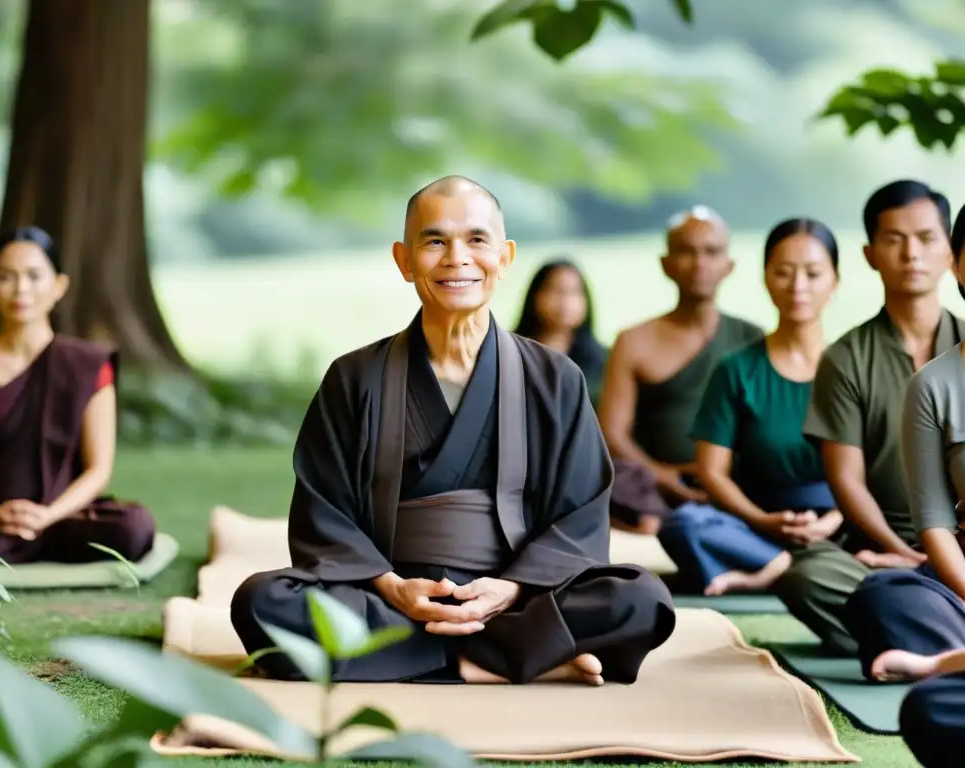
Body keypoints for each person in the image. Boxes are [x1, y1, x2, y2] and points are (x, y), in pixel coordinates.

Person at [230, 176, 676, 686]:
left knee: (642, 597)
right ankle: (507, 657)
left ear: (505, 257)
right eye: (435, 241)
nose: (456, 257)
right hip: (392, 600)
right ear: (403, 260)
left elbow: (580, 518)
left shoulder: (555, 379)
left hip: (519, 598)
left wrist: (508, 589)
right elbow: (322, 514)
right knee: (261, 600)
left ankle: (450, 655)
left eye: (477, 240)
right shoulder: (355, 377)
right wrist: (395, 588)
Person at [783, 180, 965, 655]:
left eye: (927, 239)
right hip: (881, 549)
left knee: (897, 597)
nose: (912, 254)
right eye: (894, 239)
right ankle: (943, 629)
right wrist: (908, 556)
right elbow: (846, 481)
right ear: (870, 254)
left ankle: (923, 630)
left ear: (951, 251)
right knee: (810, 575)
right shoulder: (846, 358)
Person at [841, 193, 965, 694]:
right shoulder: (931, 386)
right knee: (880, 594)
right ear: (958, 267)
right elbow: (937, 524)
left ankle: (946, 663)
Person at [657, 219, 842, 595]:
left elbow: (877, 475)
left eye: (813, 273)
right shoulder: (737, 368)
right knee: (683, 525)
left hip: (844, 526)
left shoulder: (853, 367)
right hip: (757, 525)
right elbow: (712, 473)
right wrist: (763, 520)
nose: (798, 287)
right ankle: (788, 566)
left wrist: (832, 521)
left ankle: (778, 571)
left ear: (834, 281)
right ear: (766, 278)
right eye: (784, 273)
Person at [0, 227, 155, 564]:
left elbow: (98, 469)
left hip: (65, 515)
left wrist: (47, 516)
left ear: (59, 286)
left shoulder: (86, 365)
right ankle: (5, 536)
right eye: (6, 277)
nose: (21, 289)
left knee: (132, 528)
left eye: (34, 276)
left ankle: (28, 538)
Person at [598, 206, 763, 534]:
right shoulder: (633, 341)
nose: (699, 263)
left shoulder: (753, 339)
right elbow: (612, 433)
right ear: (666, 264)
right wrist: (663, 474)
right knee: (599, 474)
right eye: (686, 251)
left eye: (711, 252)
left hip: (735, 486)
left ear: (729, 265)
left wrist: (719, 479)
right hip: (650, 485)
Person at [513, 258, 607, 403]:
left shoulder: (603, 359)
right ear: (535, 296)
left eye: (574, 292)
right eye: (556, 290)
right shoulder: (509, 354)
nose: (566, 301)